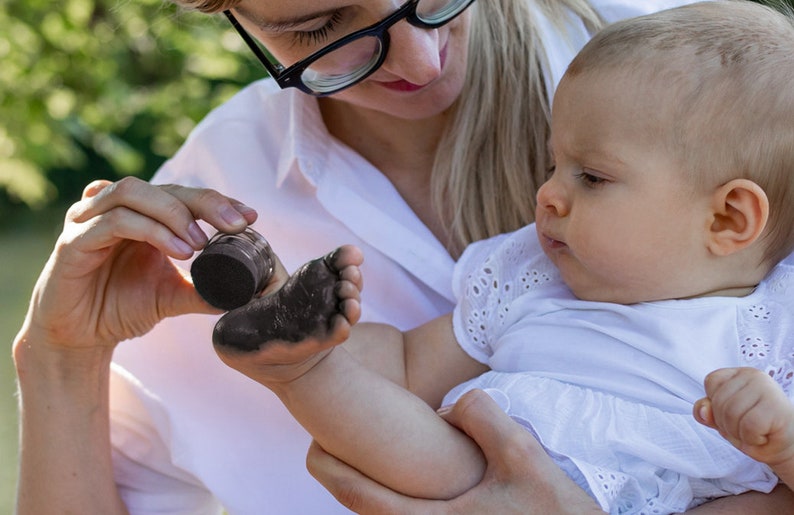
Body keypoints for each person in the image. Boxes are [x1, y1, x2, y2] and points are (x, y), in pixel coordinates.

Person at [11, 0, 791, 513]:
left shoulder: (712, 83)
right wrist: (58, 359)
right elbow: (415, 364)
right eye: (319, 30)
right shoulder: (208, 212)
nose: (421, 62)